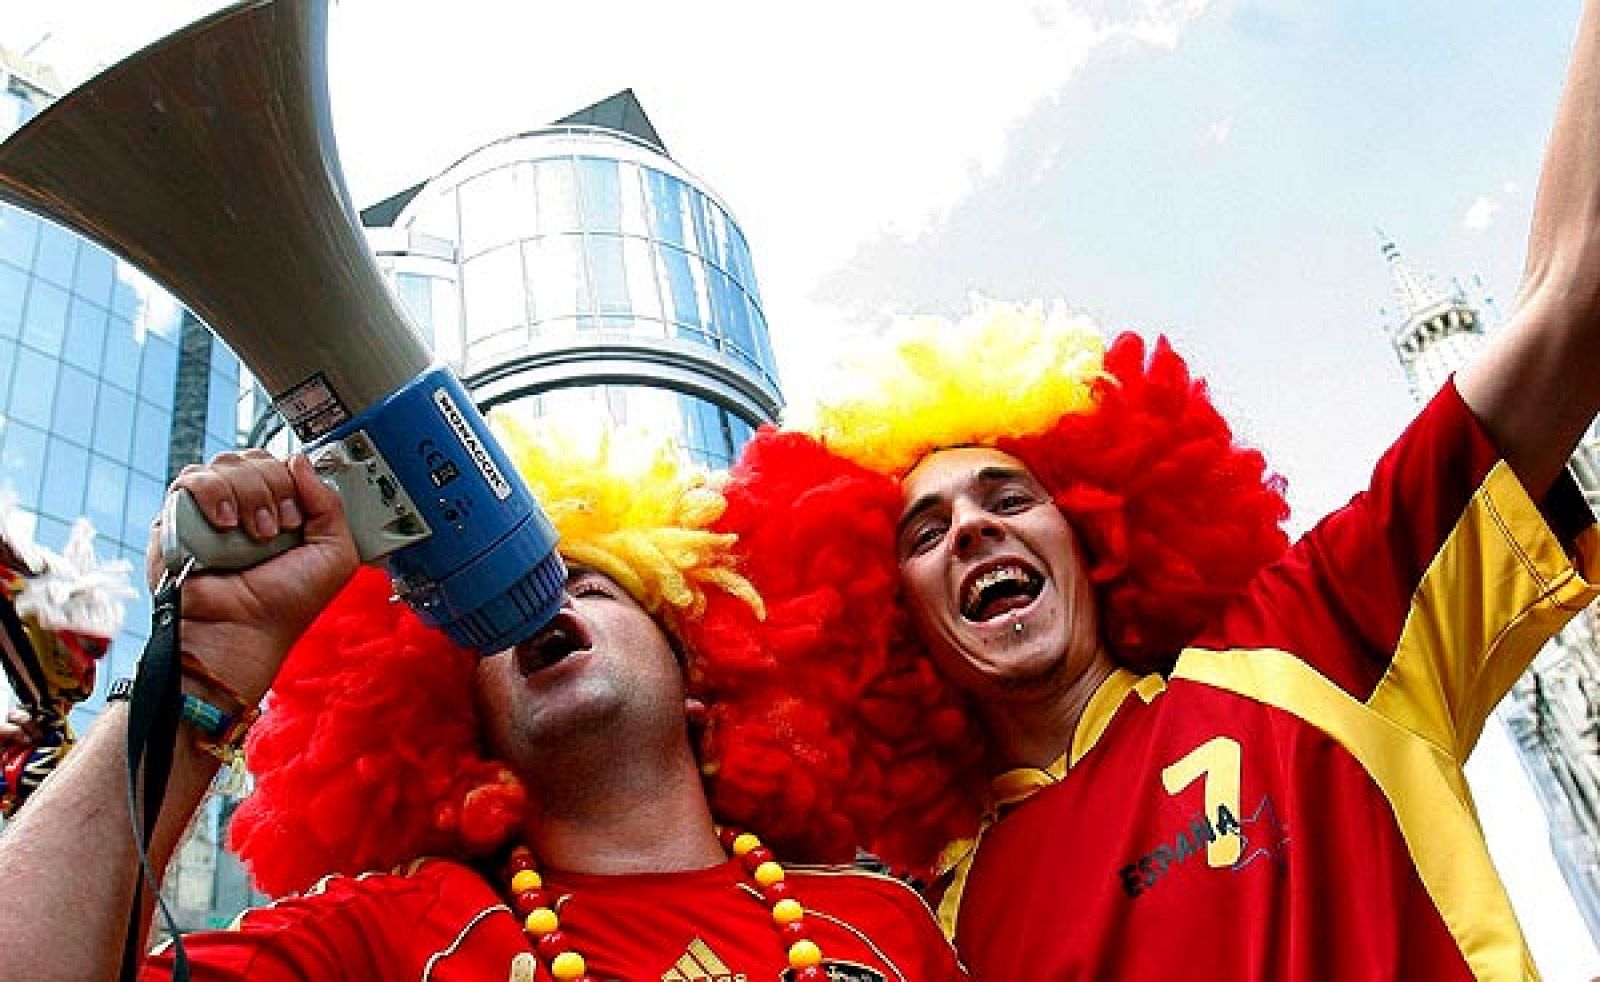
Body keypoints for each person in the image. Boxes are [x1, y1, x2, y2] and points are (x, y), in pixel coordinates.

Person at [706, 4, 1600, 978]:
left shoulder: (1309, 638)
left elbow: (1572, 291)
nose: (969, 526)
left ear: (1094, 531)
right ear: (890, 625)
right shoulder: (938, 931)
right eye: (925, 530)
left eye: (1008, 497)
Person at [0, 421, 964, 981]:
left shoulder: (880, 918)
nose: (542, 602)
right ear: (474, 739)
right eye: (492, 618)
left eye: (588, 586)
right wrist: (202, 671)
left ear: (702, 698)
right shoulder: (389, 929)